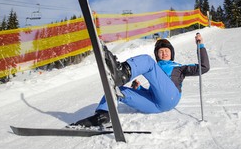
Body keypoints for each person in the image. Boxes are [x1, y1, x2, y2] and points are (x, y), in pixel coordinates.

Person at [70, 33, 210, 127]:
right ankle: (102, 115)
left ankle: (122, 73)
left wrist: (200, 45)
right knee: (117, 90)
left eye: (166, 50)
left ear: (171, 53)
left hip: (171, 97)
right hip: (156, 104)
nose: (163, 52)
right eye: (160, 51)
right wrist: (139, 88)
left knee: (147, 61)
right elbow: (154, 91)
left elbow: (204, 67)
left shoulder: (179, 67)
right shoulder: (156, 68)